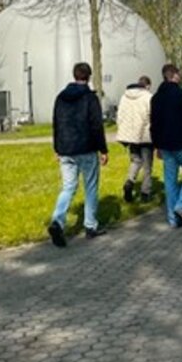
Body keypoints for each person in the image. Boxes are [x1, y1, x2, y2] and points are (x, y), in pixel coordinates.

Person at [48, 62, 108, 247]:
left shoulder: (61, 98)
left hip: (66, 149)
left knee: (68, 188)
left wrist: (57, 148)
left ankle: (58, 221)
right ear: (88, 77)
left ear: (74, 76)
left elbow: (56, 124)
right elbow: (96, 126)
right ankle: (90, 225)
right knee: (90, 187)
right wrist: (103, 149)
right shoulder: (90, 98)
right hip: (87, 148)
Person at [150, 64, 182, 228]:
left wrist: (156, 145)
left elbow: (154, 124)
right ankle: (181, 204)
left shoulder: (156, 98)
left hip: (165, 144)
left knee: (170, 180)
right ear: (175, 76)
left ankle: (173, 218)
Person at [116, 76, 153, 203]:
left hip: (131, 136)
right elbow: (152, 115)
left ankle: (129, 181)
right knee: (147, 166)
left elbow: (120, 115)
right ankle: (145, 193)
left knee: (135, 161)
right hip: (145, 135)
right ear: (147, 86)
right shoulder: (148, 97)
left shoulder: (124, 97)